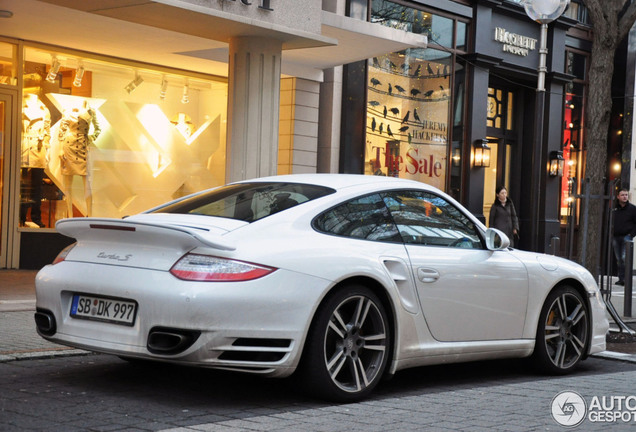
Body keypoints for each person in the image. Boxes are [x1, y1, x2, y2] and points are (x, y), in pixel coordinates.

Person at [58, 100, 100, 217]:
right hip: (69, 146)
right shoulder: (68, 110)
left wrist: (89, 139)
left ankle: (90, 215)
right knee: (68, 185)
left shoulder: (91, 111)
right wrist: (61, 148)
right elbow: (62, 131)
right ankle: (70, 215)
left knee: (87, 183)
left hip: (83, 147)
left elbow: (98, 129)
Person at [20, 93, 50, 228]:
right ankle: (20, 216)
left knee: (37, 187)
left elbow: (47, 132)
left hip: (38, 150)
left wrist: (47, 149)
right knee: (22, 186)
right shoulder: (20, 105)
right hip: (24, 149)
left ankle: (36, 217)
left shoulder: (44, 109)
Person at [612, 188, 636, 285]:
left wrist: (631, 234)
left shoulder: (633, 209)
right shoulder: (614, 209)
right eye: (622, 195)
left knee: (624, 257)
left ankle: (626, 279)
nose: (625, 197)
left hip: (627, 236)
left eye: (626, 195)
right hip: (616, 236)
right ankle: (621, 279)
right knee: (619, 259)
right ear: (618, 196)